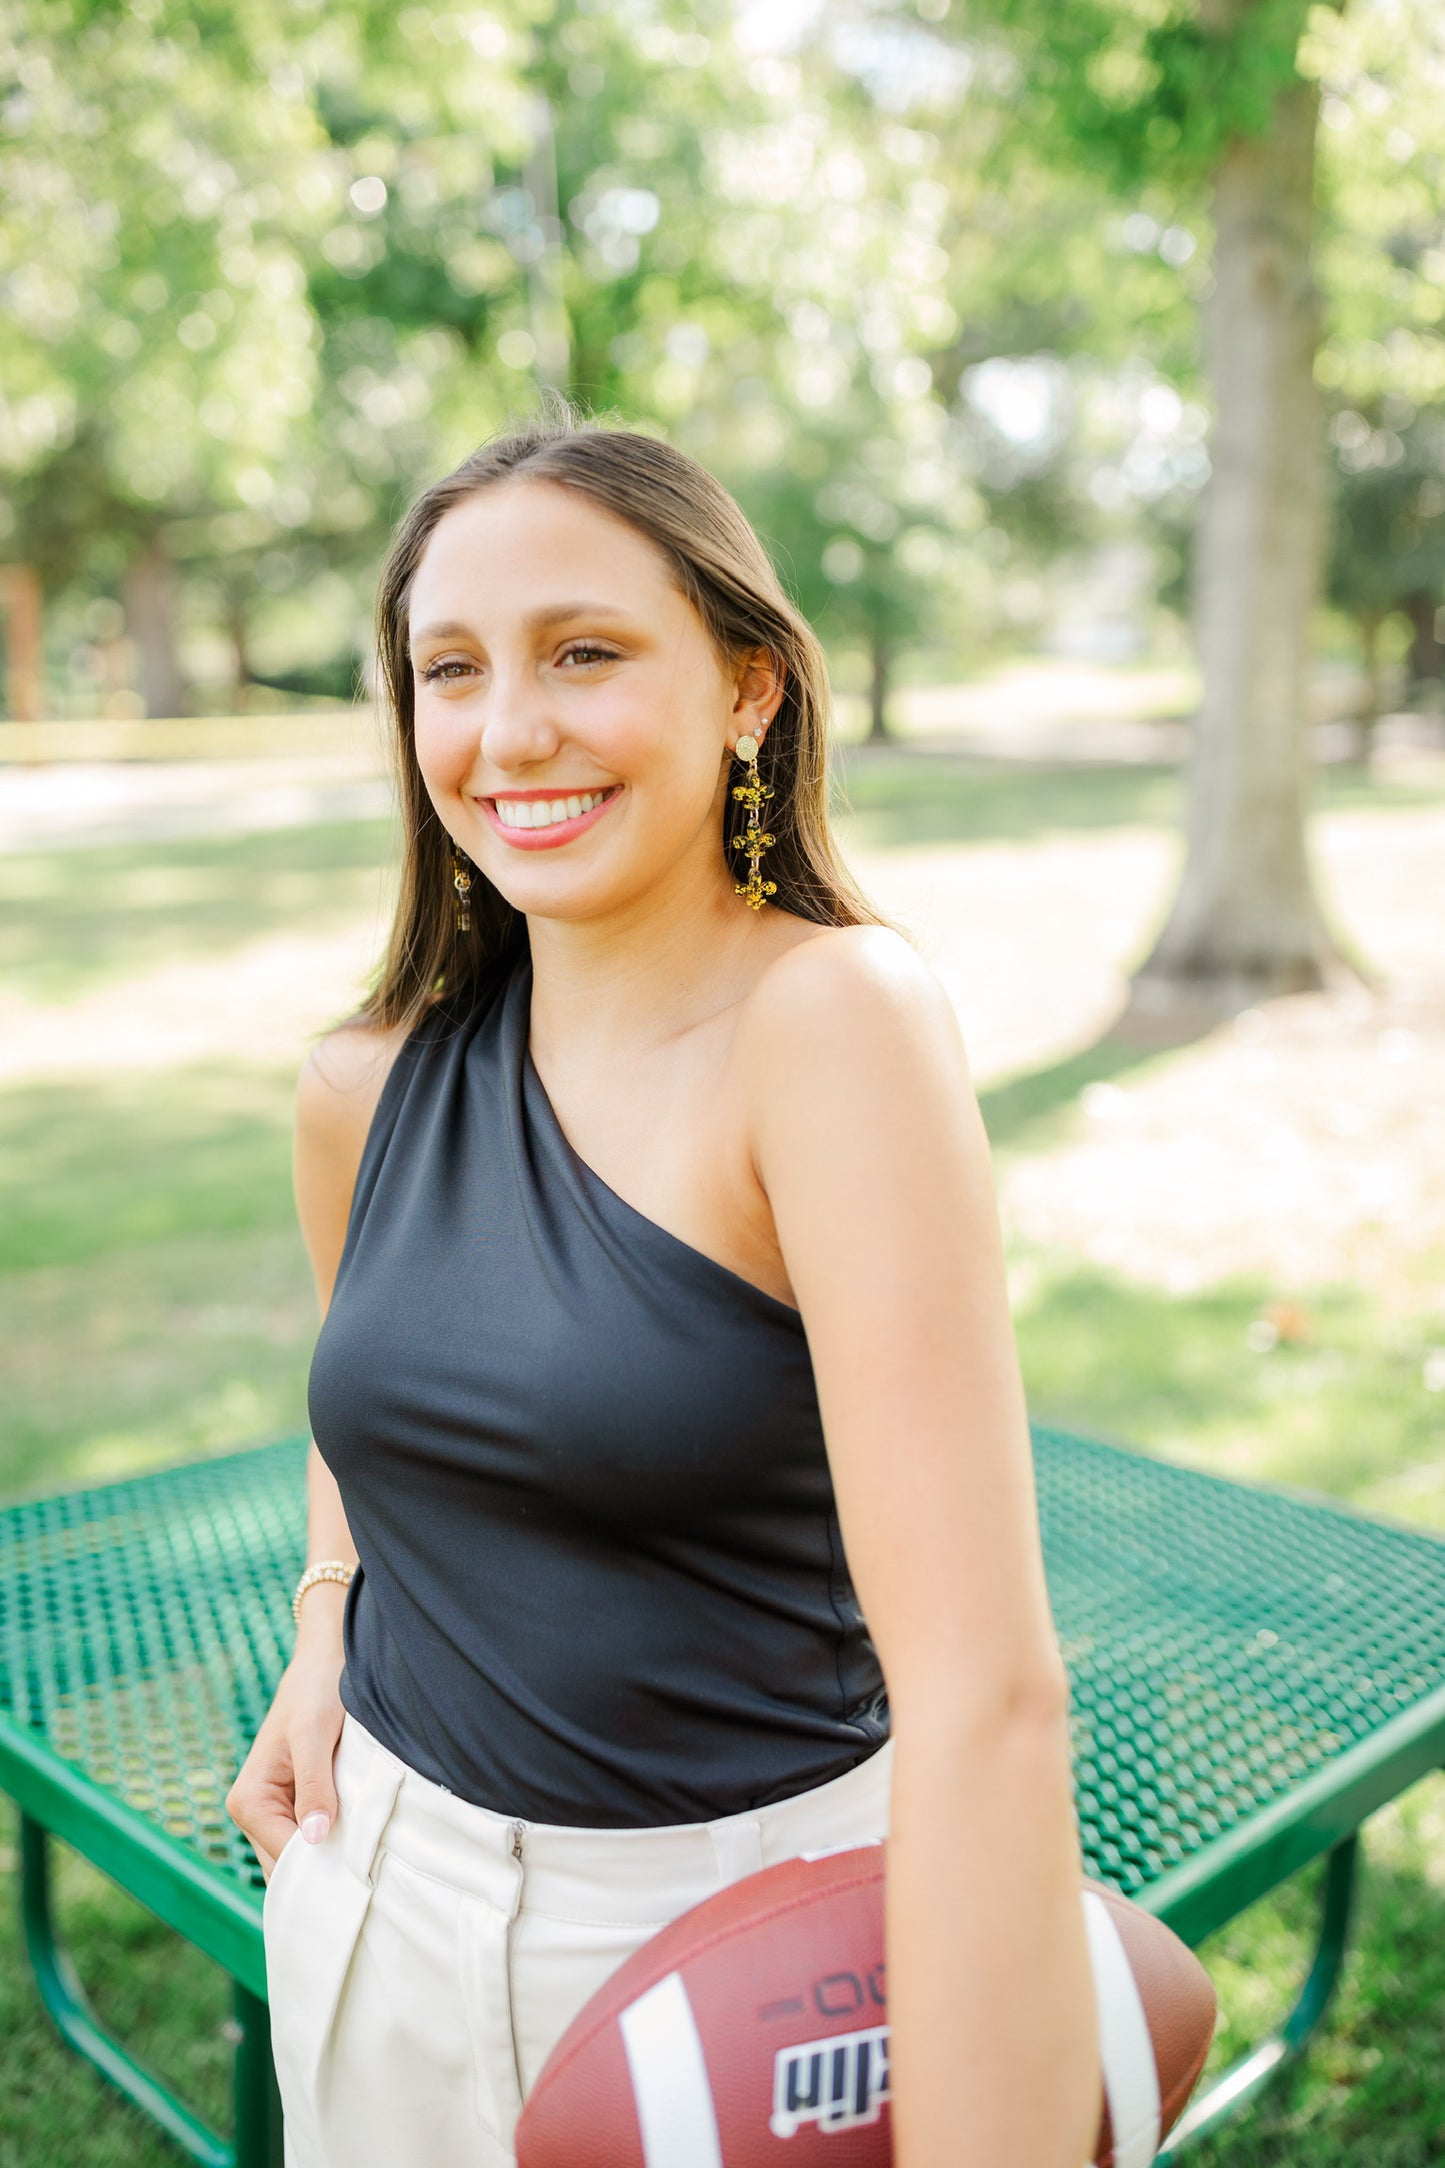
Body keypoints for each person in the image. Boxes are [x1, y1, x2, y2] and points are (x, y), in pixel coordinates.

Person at [225, 393, 1101, 2168]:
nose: (508, 729)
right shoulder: (363, 1084)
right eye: (450, 670)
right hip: (372, 1897)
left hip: (731, 1950)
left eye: (586, 651)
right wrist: (327, 1617)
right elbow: (369, 1380)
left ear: (748, 686)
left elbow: (987, 1703)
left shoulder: (833, 1025)